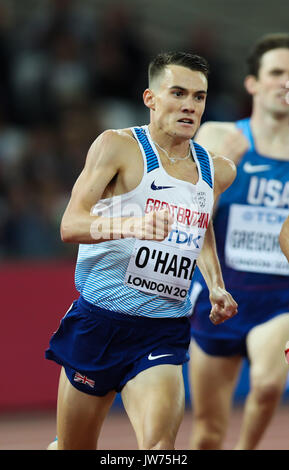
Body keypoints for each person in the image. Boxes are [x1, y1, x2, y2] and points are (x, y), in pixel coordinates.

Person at [45, 51, 238, 450]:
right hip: (100, 321)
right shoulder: (117, 147)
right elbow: (70, 225)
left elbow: (200, 227)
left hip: (163, 330)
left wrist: (215, 284)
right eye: (179, 93)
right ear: (151, 98)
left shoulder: (218, 171)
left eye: (199, 97)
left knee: (159, 451)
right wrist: (130, 225)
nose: (190, 105)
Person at [189, 33, 289, 450]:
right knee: (208, 433)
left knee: (267, 385)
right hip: (220, 297)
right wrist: (218, 167)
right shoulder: (220, 136)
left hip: (280, 299)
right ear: (253, 83)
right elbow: (191, 214)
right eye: (277, 73)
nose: (287, 82)